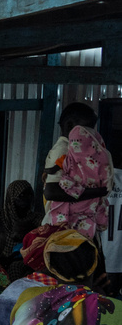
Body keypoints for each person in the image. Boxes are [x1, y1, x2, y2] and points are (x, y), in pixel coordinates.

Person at [42, 102, 114, 238]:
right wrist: (97, 192)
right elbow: (51, 192)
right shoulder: (62, 150)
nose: (91, 133)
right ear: (70, 126)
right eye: (87, 128)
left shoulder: (79, 151)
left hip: (78, 226)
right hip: (62, 227)